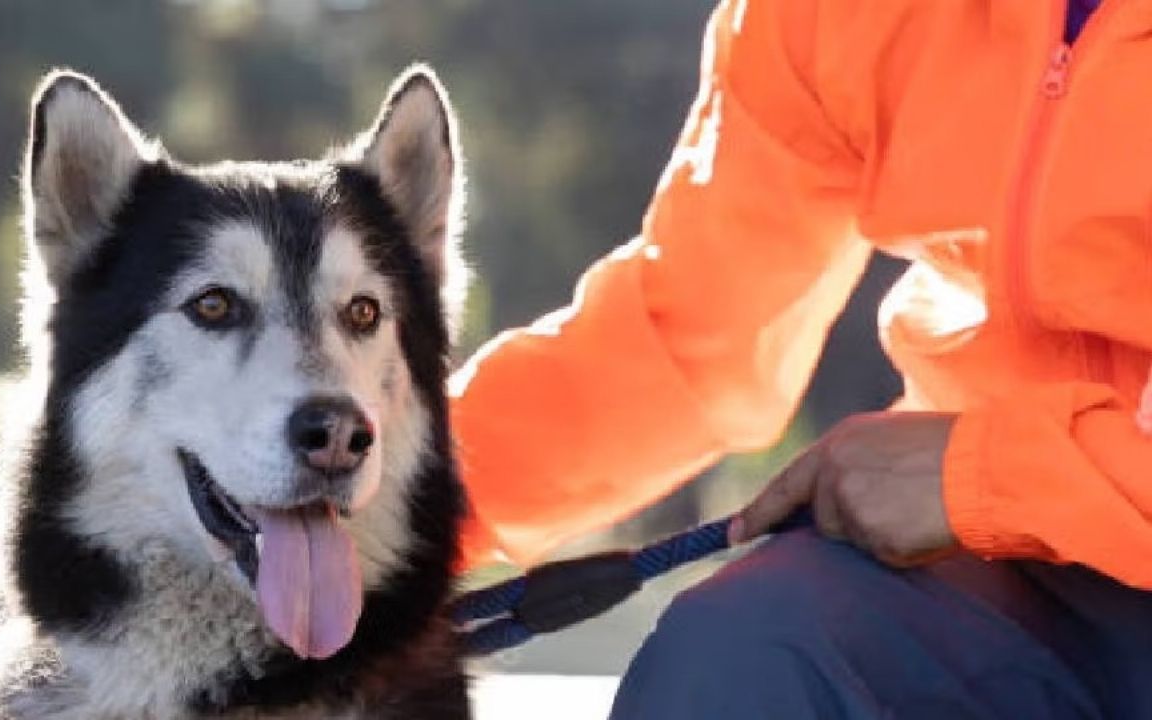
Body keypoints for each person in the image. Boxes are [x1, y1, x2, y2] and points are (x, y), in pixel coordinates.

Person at [449, 0, 1152, 717]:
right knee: (739, 659)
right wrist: (393, 501)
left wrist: (996, 472)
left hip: (1035, 502)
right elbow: (690, 332)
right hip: (986, 557)